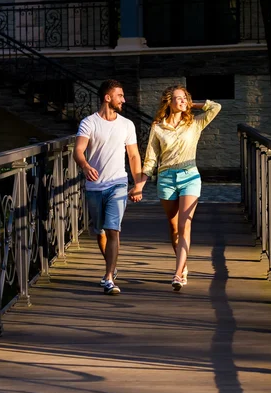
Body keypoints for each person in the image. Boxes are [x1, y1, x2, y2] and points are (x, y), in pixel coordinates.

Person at [132, 85, 221, 291]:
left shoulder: (195, 123)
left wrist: (194, 104)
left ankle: (178, 273)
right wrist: (139, 187)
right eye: (178, 98)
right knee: (174, 229)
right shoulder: (158, 127)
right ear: (168, 102)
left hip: (190, 176)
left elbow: (216, 107)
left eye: (185, 98)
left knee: (184, 226)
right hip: (166, 179)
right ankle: (183, 264)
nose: (182, 101)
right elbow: (151, 160)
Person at [73, 79, 143, 295]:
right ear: (107, 97)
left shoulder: (127, 125)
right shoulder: (89, 123)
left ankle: (109, 277)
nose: (124, 99)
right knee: (100, 231)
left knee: (114, 229)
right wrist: (84, 166)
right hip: (95, 186)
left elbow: (133, 156)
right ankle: (111, 266)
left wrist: (138, 184)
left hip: (118, 183)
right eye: (120, 95)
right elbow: (78, 150)